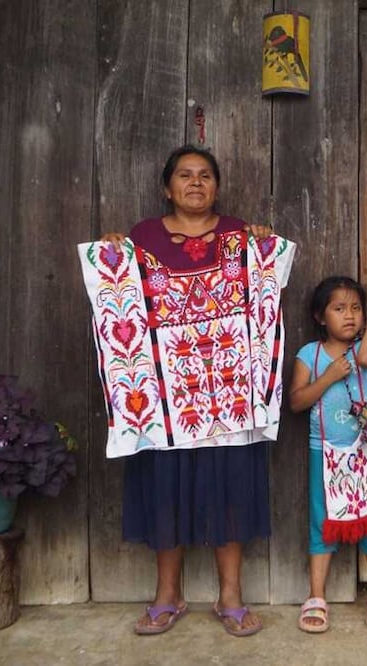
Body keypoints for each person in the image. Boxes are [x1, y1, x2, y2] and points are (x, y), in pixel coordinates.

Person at [100, 145, 276, 637]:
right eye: (184, 175)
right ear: (167, 186)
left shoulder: (242, 235)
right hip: (162, 390)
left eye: (204, 176)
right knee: (164, 488)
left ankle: (231, 596)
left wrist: (261, 246)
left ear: (216, 186)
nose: (195, 183)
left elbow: (261, 292)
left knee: (231, 488)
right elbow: (122, 295)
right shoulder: (142, 237)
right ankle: (167, 595)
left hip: (227, 390)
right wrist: (112, 252)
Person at [288, 276, 367, 632]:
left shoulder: (364, 346)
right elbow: (297, 401)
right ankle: (316, 595)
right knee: (322, 522)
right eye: (339, 309)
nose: (349, 316)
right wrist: (329, 376)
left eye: (355, 308)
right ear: (321, 317)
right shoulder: (309, 354)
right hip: (326, 452)